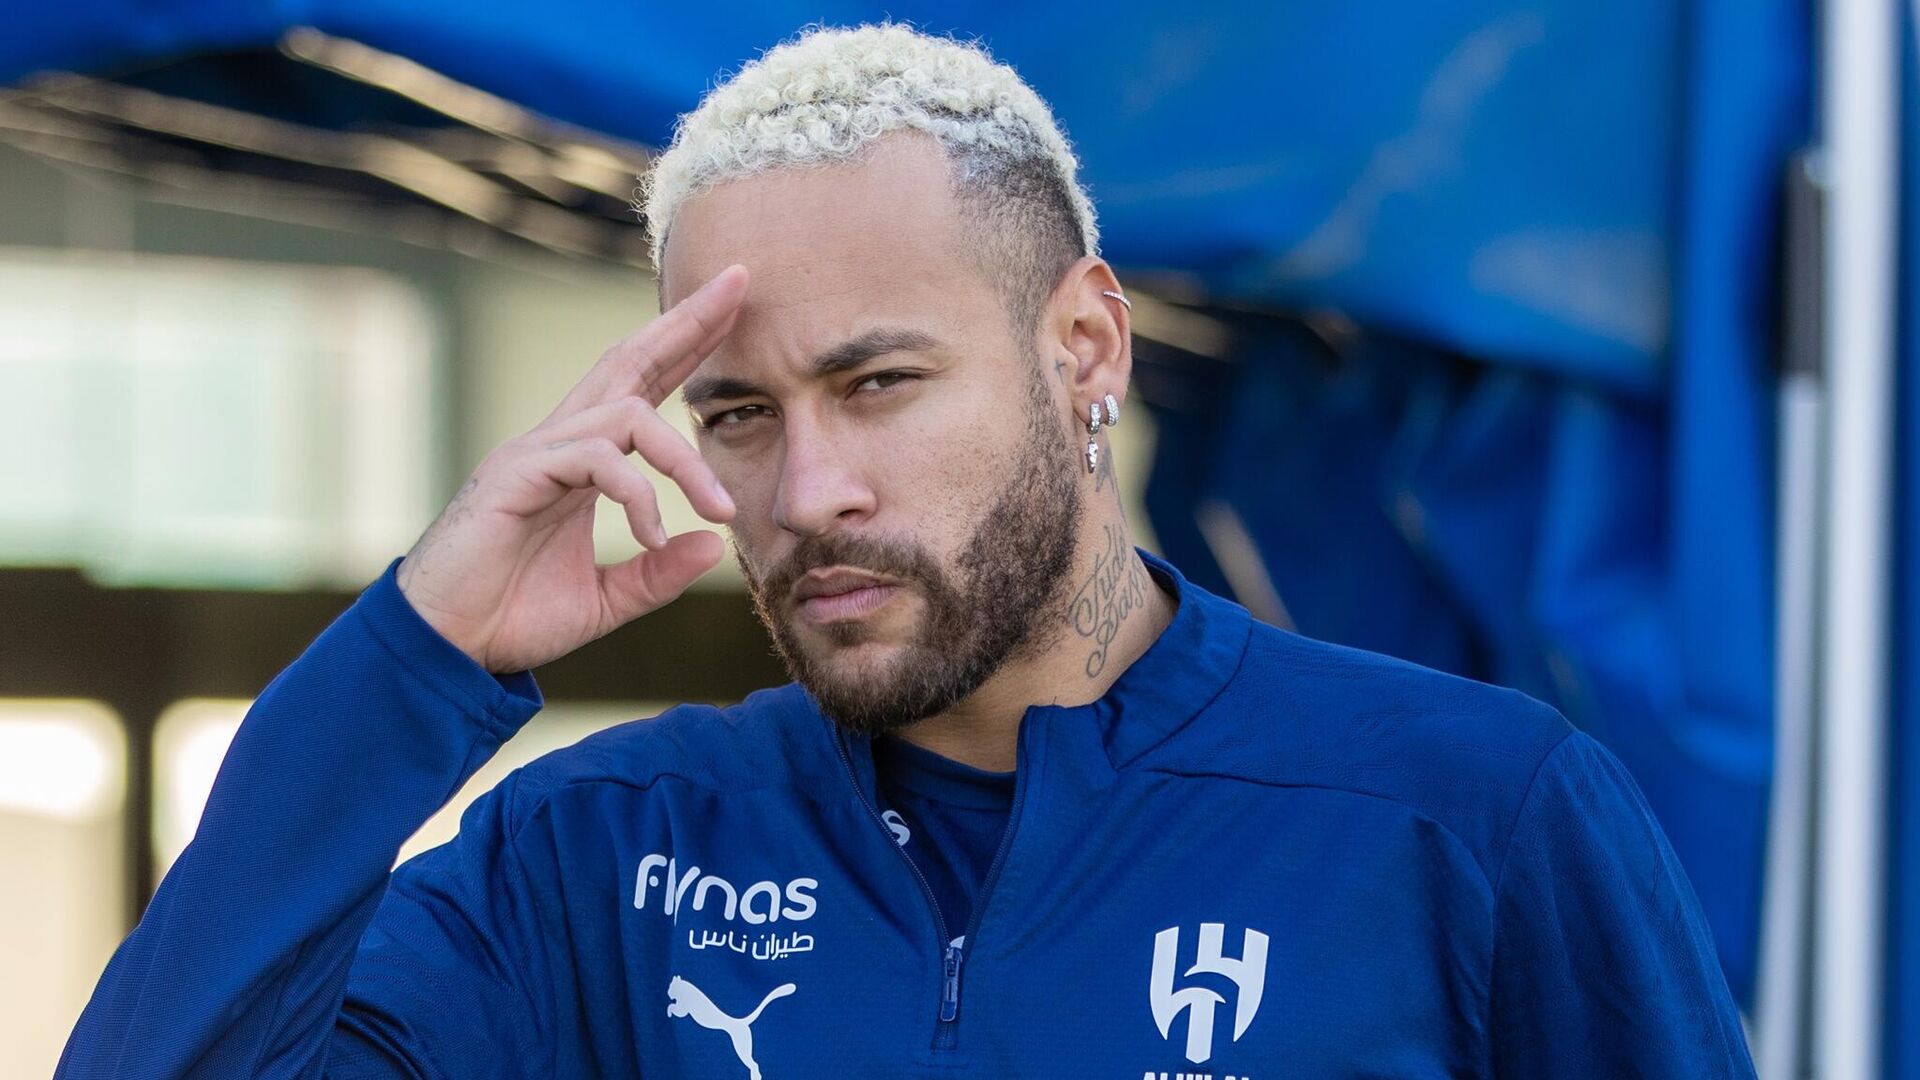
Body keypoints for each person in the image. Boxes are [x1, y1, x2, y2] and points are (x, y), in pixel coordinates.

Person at [58, 22, 1755, 1079]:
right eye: (737, 413)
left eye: (878, 384)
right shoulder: (603, 858)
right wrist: (418, 652)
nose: (812, 490)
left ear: (1084, 346)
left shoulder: (1471, 816)